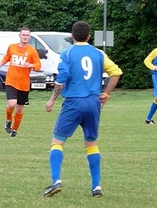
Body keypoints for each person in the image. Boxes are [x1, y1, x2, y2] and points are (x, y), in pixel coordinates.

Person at [42, 21, 122, 198]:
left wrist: (52, 100)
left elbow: (62, 79)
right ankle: (96, 186)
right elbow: (116, 73)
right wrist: (106, 94)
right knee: (91, 144)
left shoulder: (68, 53)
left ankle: (56, 181)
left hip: (73, 102)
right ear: (89, 36)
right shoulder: (99, 53)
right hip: (93, 103)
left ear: (72, 36)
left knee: (57, 142)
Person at [0, 27, 41, 137]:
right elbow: (7, 57)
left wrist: (31, 65)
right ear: (19, 36)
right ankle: (8, 120)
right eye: (23, 35)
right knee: (11, 103)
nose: (25, 37)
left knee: (19, 109)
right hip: (11, 80)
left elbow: (38, 65)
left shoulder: (32, 51)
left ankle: (15, 129)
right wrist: (0, 64)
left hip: (23, 84)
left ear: (29, 37)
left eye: (27, 35)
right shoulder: (12, 47)